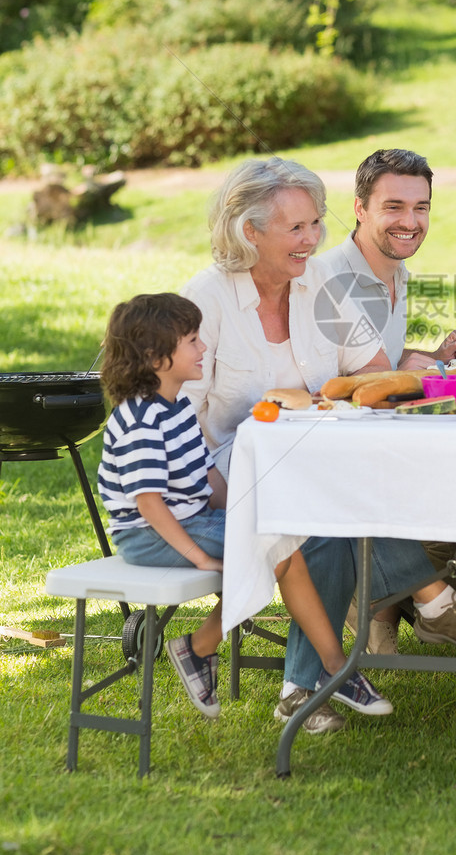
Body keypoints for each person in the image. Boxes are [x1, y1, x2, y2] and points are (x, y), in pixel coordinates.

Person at [181, 157, 456, 735]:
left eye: (315, 225)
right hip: (226, 473)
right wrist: (224, 495)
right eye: (296, 228)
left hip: (314, 467)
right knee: (331, 517)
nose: (311, 240)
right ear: (248, 231)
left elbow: (374, 369)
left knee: (335, 518)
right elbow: (175, 424)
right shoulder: (205, 301)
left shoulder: (317, 286)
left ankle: (300, 686)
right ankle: (429, 602)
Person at [97, 293, 390, 722]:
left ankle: (329, 667)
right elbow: (149, 503)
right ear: (156, 358)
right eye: (193, 341)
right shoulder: (140, 419)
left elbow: (207, 480)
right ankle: (214, 650)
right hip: (149, 535)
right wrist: (198, 555)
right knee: (278, 547)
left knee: (283, 537)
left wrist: (248, 512)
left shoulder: (177, 407)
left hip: (188, 520)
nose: (203, 349)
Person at [316, 147, 456, 652]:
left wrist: (432, 356)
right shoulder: (334, 279)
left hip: (378, 437)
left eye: (421, 207)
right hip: (338, 448)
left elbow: (376, 357)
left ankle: (386, 610)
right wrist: (440, 374)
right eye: (394, 207)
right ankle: (424, 604)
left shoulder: (392, 272)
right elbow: (367, 380)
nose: (410, 221)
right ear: (360, 208)